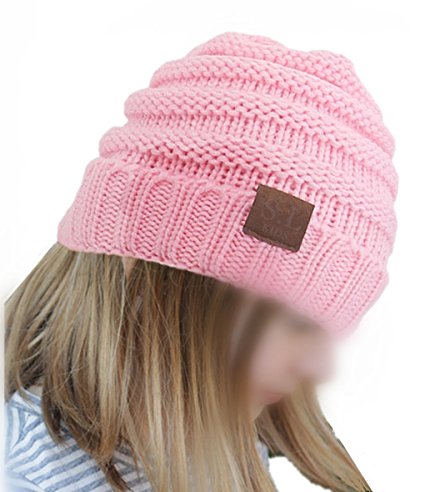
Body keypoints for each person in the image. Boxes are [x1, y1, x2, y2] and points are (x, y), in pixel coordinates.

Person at [4, 32, 397, 492]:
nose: (315, 364)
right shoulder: (21, 470)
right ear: (138, 260)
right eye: (292, 321)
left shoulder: (231, 454)